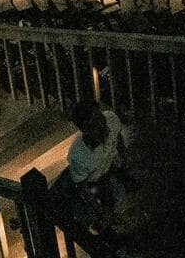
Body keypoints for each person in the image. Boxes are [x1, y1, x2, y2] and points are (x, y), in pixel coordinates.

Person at [56, 99, 136, 252]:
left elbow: (117, 136)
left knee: (108, 201)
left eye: (100, 118)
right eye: (94, 124)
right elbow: (82, 188)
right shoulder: (79, 155)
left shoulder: (110, 119)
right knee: (88, 214)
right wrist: (101, 211)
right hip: (87, 180)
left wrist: (124, 156)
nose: (102, 125)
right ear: (84, 129)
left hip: (103, 171)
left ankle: (110, 236)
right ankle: (107, 239)